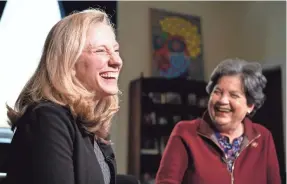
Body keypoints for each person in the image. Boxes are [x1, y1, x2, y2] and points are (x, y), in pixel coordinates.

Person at [2, 8, 122, 184]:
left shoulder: (88, 129)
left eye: (116, 50)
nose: (117, 61)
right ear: (68, 62)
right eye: (100, 51)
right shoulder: (47, 119)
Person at [155, 58, 281, 184]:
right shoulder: (185, 133)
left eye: (234, 95)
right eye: (218, 92)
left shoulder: (263, 136)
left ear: (250, 105)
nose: (222, 100)